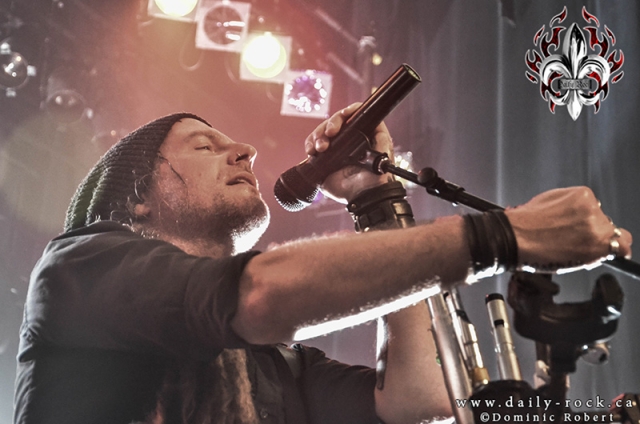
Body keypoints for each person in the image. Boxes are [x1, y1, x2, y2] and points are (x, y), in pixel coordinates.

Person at [13, 104, 632, 424]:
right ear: (136, 199)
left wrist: (375, 198)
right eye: (205, 145)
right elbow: (261, 296)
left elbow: (418, 398)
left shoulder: (270, 362)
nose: (245, 150)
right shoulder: (79, 269)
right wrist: (499, 236)